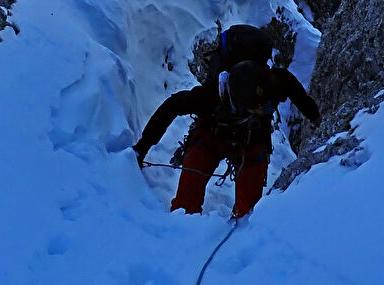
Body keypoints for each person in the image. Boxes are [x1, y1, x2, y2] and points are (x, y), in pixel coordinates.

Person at [133, 60, 321, 218]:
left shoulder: (273, 82)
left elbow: (297, 93)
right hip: (213, 136)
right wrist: (142, 147)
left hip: (250, 142)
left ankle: (240, 236)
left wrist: (316, 118)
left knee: (248, 213)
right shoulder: (210, 96)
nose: (265, 110)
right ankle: (183, 224)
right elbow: (172, 106)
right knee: (185, 204)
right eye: (258, 107)